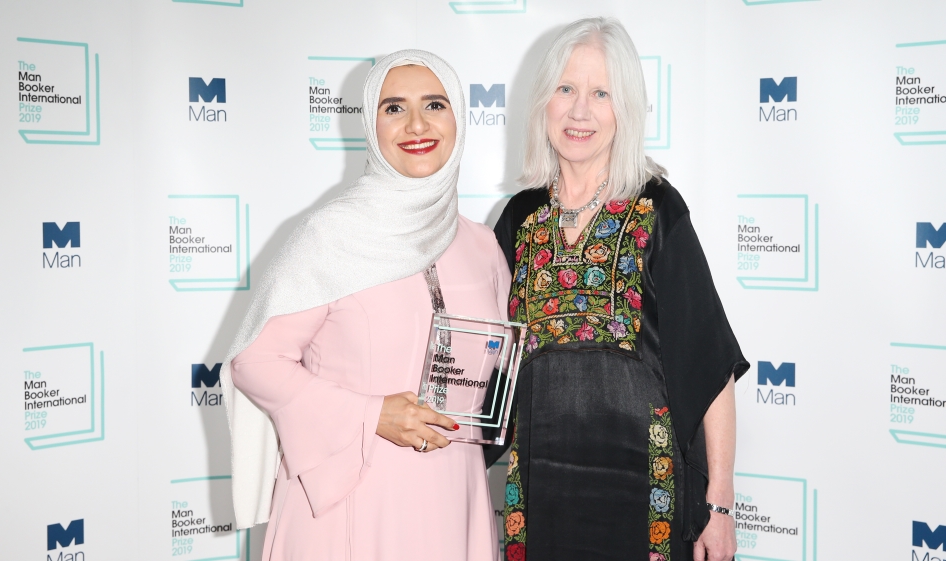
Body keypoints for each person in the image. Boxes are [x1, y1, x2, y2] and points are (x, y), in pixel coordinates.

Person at [219, 50, 505, 561]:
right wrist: (371, 414)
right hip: (352, 497)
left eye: (435, 104)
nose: (417, 124)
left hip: (452, 492)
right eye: (394, 108)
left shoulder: (482, 245)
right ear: (371, 125)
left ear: (458, 116)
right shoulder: (329, 235)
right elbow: (254, 362)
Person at [488, 18, 749, 561]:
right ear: (543, 102)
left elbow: (711, 365)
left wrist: (720, 506)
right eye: (566, 89)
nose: (580, 111)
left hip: (645, 500)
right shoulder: (518, 219)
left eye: (601, 93)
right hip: (540, 500)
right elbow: (488, 359)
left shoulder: (658, 210)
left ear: (625, 109)